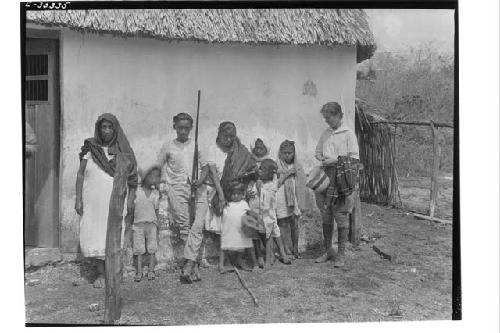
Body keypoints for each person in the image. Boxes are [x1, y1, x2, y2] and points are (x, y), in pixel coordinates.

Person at [75, 113, 138, 288]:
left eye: (110, 127)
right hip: (94, 203)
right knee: (96, 234)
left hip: (116, 202)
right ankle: (101, 274)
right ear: (99, 128)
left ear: (115, 129)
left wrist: (131, 200)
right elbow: (80, 175)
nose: (107, 131)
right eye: (104, 127)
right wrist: (78, 199)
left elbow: (132, 180)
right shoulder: (90, 149)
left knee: (115, 234)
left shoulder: (122, 151)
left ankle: (114, 272)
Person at [154, 113, 211, 284]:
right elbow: (158, 165)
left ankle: (190, 262)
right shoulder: (168, 146)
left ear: (191, 128)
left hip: (199, 189)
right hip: (177, 189)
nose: (184, 131)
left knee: (198, 225)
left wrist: (199, 180)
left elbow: (206, 167)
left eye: (187, 127)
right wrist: (162, 184)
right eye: (180, 127)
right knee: (185, 227)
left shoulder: (197, 146)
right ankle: (192, 264)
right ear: (175, 127)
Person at [314, 102, 359, 267]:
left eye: (329, 118)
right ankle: (328, 250)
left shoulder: (348, 134)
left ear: (339, 115)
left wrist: (337, 159)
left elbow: (355, 160)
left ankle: (341, 255)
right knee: (326, 215)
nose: (327, 121)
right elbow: (318, 151)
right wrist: (320, 156)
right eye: (325, 118)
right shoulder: (326, 133)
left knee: (340, 216)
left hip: (341, 180)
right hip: (326, 179)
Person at [248, 158, 291, 267]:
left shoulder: (272, 185)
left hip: (269, 216)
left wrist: (259, 189)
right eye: (260, 169)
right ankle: (269, 256)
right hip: (257, 215)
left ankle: (279, 255)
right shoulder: (258, 182)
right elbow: (251, 196)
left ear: (270, 173)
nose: (260, 171)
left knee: (273, 235)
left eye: (263, 169)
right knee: (262, 235)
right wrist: (250, 194)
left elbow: (266, 200)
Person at [129, 166, 161, 282]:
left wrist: (157, 223)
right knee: (138, 248)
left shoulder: (155, 193)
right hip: (138, 224)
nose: (151, 180)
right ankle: (139, 271)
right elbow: (132, 208)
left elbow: (156, 209)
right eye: (148, 177)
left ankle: (151, 270)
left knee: (152, 247)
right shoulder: (137, 192)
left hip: (151, 224)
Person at [276, 140, 307, 259]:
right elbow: (277, 183)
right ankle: (285, 248)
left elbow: (302, 182)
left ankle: (295, 247)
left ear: (294, 153)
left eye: (290, 152)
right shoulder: (277, 165)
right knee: (282, 223)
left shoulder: (298, 166)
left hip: (294, 198)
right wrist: (288, 173)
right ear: (281, 153)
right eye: (284, 153)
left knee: (294, 223)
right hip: (282, 198)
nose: (287, 155)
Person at [219, 182, 255, 273]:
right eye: (233, 194)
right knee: (225, 246)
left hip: (240, 230)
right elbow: (219, 211)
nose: (235, 196)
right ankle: (221, 265)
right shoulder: (227, 204)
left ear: (242, 195)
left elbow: (250, 213)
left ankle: (239, 261)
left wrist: (257, 218)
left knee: (241, 245)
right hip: (228, 229)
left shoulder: (244, 203)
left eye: (238, 194)